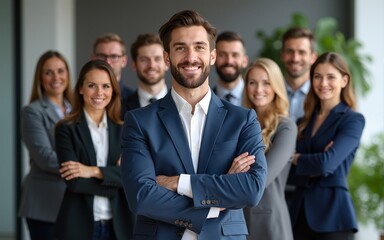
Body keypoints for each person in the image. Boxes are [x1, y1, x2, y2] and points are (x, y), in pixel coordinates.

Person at [121, 10, 267, 239]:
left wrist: (181, 182)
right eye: (180, 48)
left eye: (199, 47)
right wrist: (216, 199)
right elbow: (141, 196)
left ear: (212, 56)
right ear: (167, 58)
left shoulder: (243, 120)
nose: (191, 57)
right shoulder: (139, 121)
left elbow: (251, 190)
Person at [54, 60, 135, 240]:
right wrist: (115, 178)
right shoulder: (66, 129)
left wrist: (91, 171)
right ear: (81, 88)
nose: (100, 93)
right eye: (92, 85)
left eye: (106, 86)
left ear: (113, 90)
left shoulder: (125, 130)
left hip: (120, 226)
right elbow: (74, 182)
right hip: (78, 226)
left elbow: (132, 177)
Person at [289, 52, 365, 240]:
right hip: (298, 213)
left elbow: (326, 164)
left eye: (331, 77)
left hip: (332, 216)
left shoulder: (352, 120)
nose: (323, 83)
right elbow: (288, 172)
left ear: (344, 80)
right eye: (318, 77)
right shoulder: (302, 122)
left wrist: (296, 158)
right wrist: (314, 161)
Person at [18, 50, 74, 240]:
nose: (56, 77)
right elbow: (45, 158)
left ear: (67, 74)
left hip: (75, 201)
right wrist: (85, 168)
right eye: (48, 72)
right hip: (45, 203)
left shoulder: (76, 109)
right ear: (40, 78)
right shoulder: (32, 112)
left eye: (60, 71)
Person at [242, 58, 296, 240]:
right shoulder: (239, 123)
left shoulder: (286, 127)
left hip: (269, 222)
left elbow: (262, 178)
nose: (258, 90)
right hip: (237, 218)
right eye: (252, 82)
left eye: (266, 83)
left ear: (276, 87)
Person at [121, 33, 169, 117]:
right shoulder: (119, 109)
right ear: (134, 65)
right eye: (144, 60)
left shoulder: (182, 105)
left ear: (167, 63)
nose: (151, 65)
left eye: (157, 59)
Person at [281, 27, 317, 123]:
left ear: (313, 57)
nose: (295, 58)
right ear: (282, 55)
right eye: (289, 51)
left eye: (302, 52)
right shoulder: (270, 92)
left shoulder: (321, 94)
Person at [92, 32, 133, 99]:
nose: (107, 62)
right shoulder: (79, 98)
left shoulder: (135, 102)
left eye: (114, 56)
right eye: (102, 56)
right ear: (93, 59)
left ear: (124, 61)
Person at [213, 31, 248, 106]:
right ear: (213, 58)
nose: (229, 61)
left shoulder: (257, 99)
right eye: (222, 55)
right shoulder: (204, 100)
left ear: (245, 61)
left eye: (235, 55)